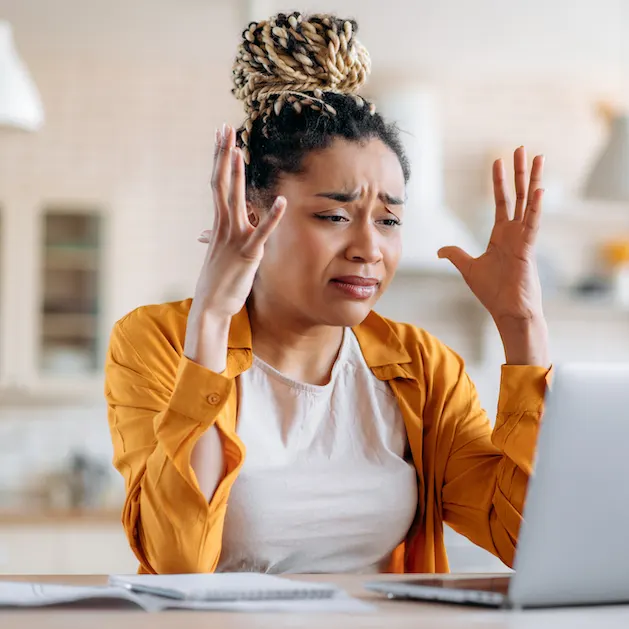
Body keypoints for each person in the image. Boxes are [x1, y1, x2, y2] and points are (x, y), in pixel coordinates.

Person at [104, 11, 551, 575]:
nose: (368, 247)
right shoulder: (157, 342)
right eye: (334, 214)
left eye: (388, 221)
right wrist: (212, 321)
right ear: (250, 214)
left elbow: (525, 539)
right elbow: (179, 561)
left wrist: (522, 325)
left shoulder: (425, 368)